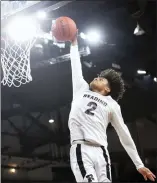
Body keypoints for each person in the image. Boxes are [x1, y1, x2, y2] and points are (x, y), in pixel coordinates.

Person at [68, 35, 156, 182]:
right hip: (81, 148)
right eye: (98, 77)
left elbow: (124, 135)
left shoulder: (112, 105)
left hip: (102, 152)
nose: (97, 77)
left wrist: (139, 164)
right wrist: (74, 44)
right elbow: (75, 66)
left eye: (101, 79)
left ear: (107, 89)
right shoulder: (81, 89)